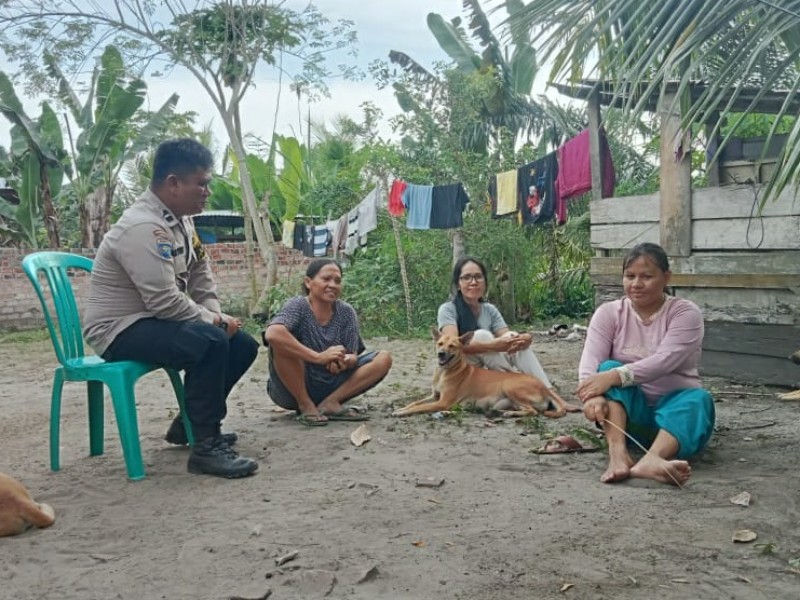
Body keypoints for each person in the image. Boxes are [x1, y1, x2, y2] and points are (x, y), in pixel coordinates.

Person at [83, 138, 259, 479]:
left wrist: (215, 315)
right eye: (202, 183)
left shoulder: (181, 220)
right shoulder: (143, 227)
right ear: (173, 183)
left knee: (243, 345)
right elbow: (163, 301)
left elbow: (200, 276)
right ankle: (206, 447)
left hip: (152, 320)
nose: (207, 191)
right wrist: (215, 322)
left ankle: (188, 426)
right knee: (211, 341)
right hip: (118, 329)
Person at [577, 242, 715, 486]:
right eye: (629, 276)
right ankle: (618, 454)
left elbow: (664, 361)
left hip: (675, 417)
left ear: (666, 277)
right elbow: (591, 360)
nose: (636, 284)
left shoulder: (685, 313)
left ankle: (652, 460)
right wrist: (591, 396)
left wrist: (613, 378)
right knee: (607, 367)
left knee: (698, 399)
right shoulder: (609, 313)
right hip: (629, 420)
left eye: (647, 276)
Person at [263, 258, 392, 426]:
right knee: (281, 345)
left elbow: (352, 354)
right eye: (326, 279)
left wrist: (344, 361)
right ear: (309, 282)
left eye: (337, 281)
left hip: (333, 383)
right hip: (292, 389)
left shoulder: (346, 312)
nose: (332, 285)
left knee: (384, 358)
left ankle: (331, 403)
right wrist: (318, 357)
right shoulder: (298, 306)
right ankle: (306, 405)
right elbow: (272, 334)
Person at [437, 256, 554, 387]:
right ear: (458, 284)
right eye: (467, 277)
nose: (473, 282)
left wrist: (525, 338)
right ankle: (514, 381)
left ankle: (547, 390)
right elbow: (452, 345)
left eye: (478, 277)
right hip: (461, 370)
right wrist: (492, 345)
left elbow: (507, 337)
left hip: (485, 369)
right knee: (482, 335)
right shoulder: (447, 309)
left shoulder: (489, 309)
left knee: (514, 338)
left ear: (485, 282)